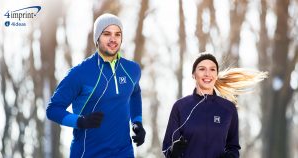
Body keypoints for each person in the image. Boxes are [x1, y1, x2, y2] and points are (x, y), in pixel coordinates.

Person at [46, 13, 146, 158]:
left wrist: (137, 122)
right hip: (88, 153)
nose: (113, 39)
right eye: (107, 34)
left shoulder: (132, 69)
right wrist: (80, 121)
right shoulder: (80, 73)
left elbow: (135, 93)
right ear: (97, 38)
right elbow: (53, 109)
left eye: (117, 34)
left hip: (124, 152)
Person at [162, 52, 268, 158]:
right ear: (193, 74)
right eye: (202, 69)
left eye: (212, 69)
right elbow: (167, 147)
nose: (207, 74)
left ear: (216, 75)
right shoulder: (180, 107)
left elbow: (233, 147)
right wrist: (173, 152)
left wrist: (231, 156)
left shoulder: (228, 109)